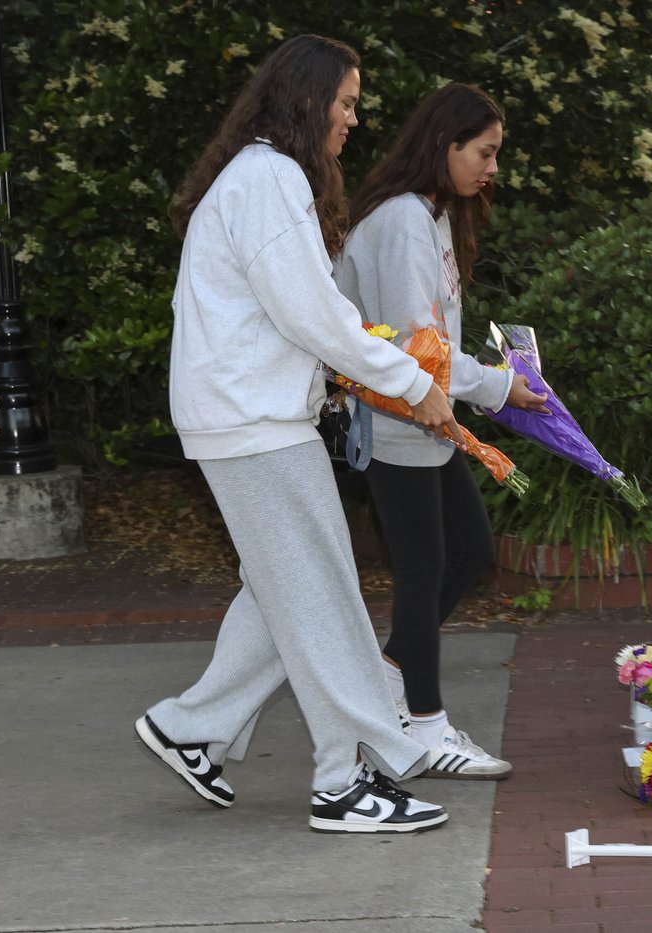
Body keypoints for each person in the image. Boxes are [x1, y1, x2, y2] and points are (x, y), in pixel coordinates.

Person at [135, 35, 463, 834]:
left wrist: (385, 373)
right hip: (253, 422)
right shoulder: (272, 177)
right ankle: (342, 783)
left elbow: (307, 312)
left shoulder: (256, 175)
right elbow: (314, 314)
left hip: (242, 416)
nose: (353, 118)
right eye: (347, 103)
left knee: (286, 588)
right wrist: (415, 385)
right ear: (308, 101)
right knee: (322, 593)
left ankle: (189, 725)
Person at [334, 83, 548, 780]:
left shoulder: (429, 215)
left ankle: (393, 673)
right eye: (484, 153)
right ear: (445, 145)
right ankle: (423, 726)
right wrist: (498, 385)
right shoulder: (401, 220)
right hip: (396, 419)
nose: (492, 168)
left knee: (468, 550)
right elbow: (414, 350)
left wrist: (482, 386)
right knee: (426, 570)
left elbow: (427, 340)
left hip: (426, 420)